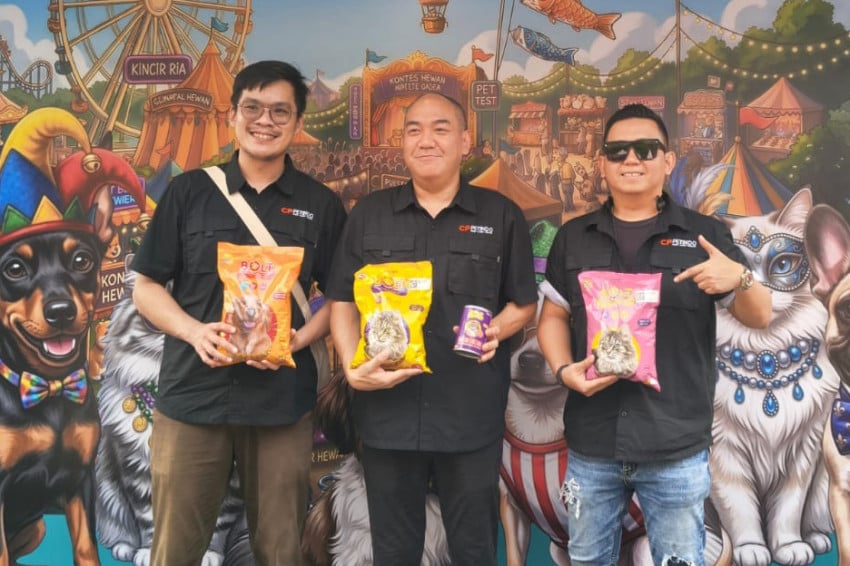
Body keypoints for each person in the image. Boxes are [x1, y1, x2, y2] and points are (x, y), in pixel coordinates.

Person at [131, 60, 347, 566]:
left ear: (297, 123)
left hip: (281, 404)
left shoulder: (321, 204)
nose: (264, 121)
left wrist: (297, 339)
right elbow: (146, 287)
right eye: (252, 108)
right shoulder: (188, 192)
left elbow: (341, 298)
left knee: (280, 549)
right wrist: (194, 332)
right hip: (192, 398)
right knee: (175, 549)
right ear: (232, 115)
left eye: (280, 111)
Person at [537, 103, 772, 566]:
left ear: (667, 160)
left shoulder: (704, 236)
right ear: (602, 162)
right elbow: (552, 317)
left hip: (675, 447)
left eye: (646, 149)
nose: (631, 159)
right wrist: (564, 371)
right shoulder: (574, 237)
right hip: (592, 443)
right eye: (618, 150)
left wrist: (741, 278)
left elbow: (760, 316)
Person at [326, 92, 538, 566]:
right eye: (414, 130)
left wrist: (497, 330)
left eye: (440, 129)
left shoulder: (500, 215)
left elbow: (524, 303)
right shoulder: (369, 214)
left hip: (470, 415)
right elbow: (341, 299)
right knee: (393, 552)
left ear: (465, 141)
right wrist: (352, 366)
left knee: (473, 550)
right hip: (387, 415)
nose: (426, 140)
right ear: (402, 143)